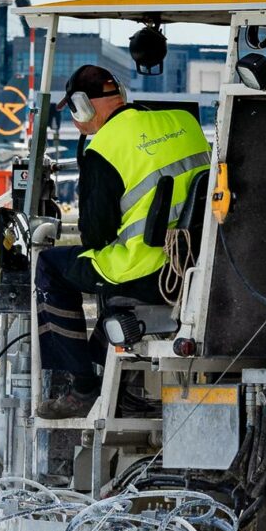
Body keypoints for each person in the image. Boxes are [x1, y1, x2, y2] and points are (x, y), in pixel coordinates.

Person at [35, 63, 213, 416]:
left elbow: (96, 236)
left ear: (83, 106)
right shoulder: (185, 122)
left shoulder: (103, 150)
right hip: (195, 268)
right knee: (98, 276)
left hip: (144, 271)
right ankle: (108, 367)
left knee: (51, 268)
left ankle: (82, 388)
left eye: (73, 109)